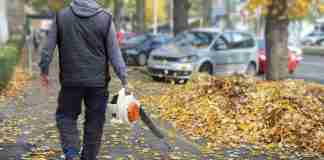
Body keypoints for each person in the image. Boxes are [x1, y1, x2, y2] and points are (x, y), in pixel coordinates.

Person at [38, 0, 128, 159]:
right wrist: (124, 79)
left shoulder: (62, 16)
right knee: (95, 122)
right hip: (98, 83)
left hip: (70, 81)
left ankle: (71, 152)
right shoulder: (105, 18)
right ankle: (88, 156)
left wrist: (44, 70)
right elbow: (114, 53)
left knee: (65, 117)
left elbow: (47, 48)